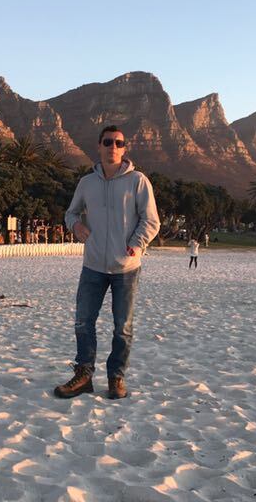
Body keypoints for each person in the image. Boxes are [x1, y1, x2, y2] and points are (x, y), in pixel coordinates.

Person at [55, 125, 160, 400]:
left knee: (122, 328)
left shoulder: (138, 181)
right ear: (99, 146)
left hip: (126, 268)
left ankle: (116, 378)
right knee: (83, 322)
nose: (113, 146)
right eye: (108, 142)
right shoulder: (86, 183)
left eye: (118, 143)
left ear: (124, 148)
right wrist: (76, 226)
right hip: (92, 266)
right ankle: (84, 375)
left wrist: (136, 244)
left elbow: (151, 221)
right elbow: (70, 213)